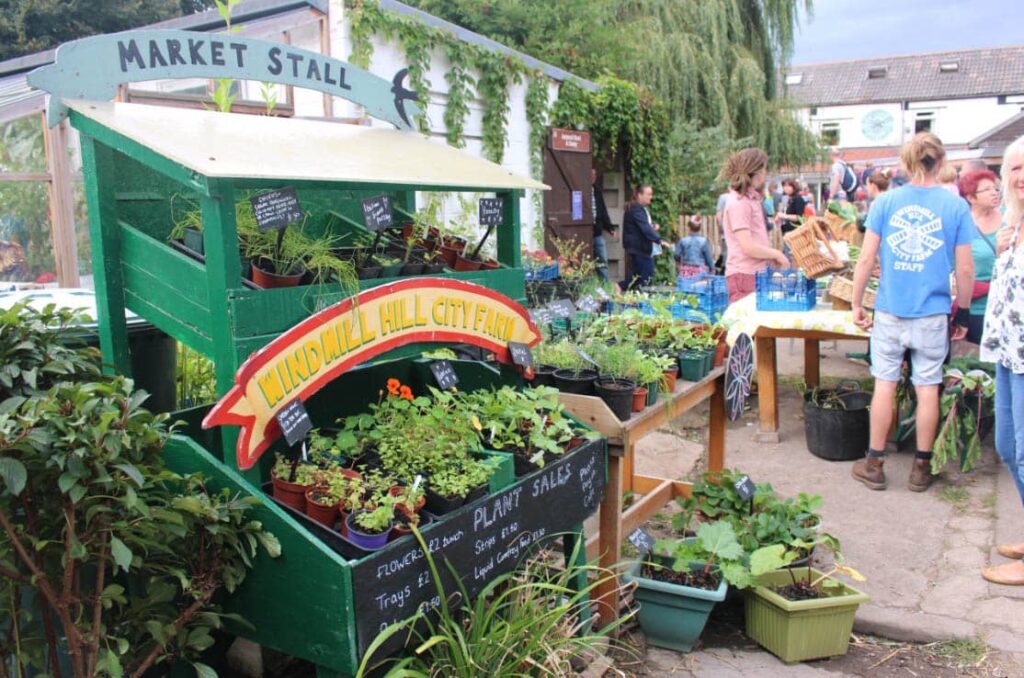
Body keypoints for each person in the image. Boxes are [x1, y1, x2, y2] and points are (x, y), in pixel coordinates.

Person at [850, 132, 976, 493]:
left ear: (906, 163)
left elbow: (866, 259)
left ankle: (874, 464)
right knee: (928, 387)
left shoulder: (885, 202)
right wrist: (963, 314)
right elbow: (965, 269)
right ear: (941, 162)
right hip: (932, 314)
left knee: (885, 384)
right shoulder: (955, 206)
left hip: (891, 310)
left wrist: (858, 303)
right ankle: (921, 468)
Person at [978, 135, 1024, 585]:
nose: (1021, 176)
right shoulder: (1014, 222)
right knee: (1009, 448)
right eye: (1015, 168)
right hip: (1009, 352)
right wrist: (1003, 247)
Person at [719, 148, 789, 303]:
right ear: (756, 172)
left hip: (754, 274)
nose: (765, 173)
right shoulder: (739, 203)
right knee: (745, 319)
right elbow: (748, 246)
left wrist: (768, 256)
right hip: (744, 275)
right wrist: (776, 254)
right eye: (763, 169)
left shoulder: (750, 199)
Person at [959, 169, 1003, 345]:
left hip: (1008, 304)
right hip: (977, 309)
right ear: (971, 197)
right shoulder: (962, 225)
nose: (994, 192)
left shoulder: (1010, 218)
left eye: (995, 188)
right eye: (987, 189)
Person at [620, 184, 665, 290]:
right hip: (638, 248)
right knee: (646, 275)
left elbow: (641, 226)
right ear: (640, 195)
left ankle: (623, 288)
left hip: (639, 247)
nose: (651, 197)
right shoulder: (636, 209)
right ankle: (620, 286)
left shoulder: (638, 208)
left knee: (638, 276)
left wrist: (652, 227)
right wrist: (658, 239)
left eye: (651, 194)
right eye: (648, 194)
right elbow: (645, 227)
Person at [591, 169, 615, 281]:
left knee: (602, 259)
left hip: (597, 232)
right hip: (583, 231)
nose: (593, 177)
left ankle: (605, 285)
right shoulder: (580, 189)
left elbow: (603, 210)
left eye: (594, 175)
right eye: (591, 174)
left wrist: (610, 227)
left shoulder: (597, 190)